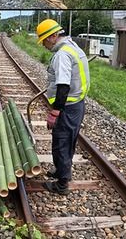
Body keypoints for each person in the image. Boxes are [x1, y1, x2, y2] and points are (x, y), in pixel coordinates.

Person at [37, 18, 91, 195]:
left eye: (44, 40)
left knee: (61, 143)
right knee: (69, 141)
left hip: (68, 106)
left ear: (53, 36)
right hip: (77, 104)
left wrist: (55, 111)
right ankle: (62, 171)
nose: (43, 45)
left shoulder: (62, 55)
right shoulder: (73, 47)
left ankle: (61, 185)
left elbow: (63, 86)